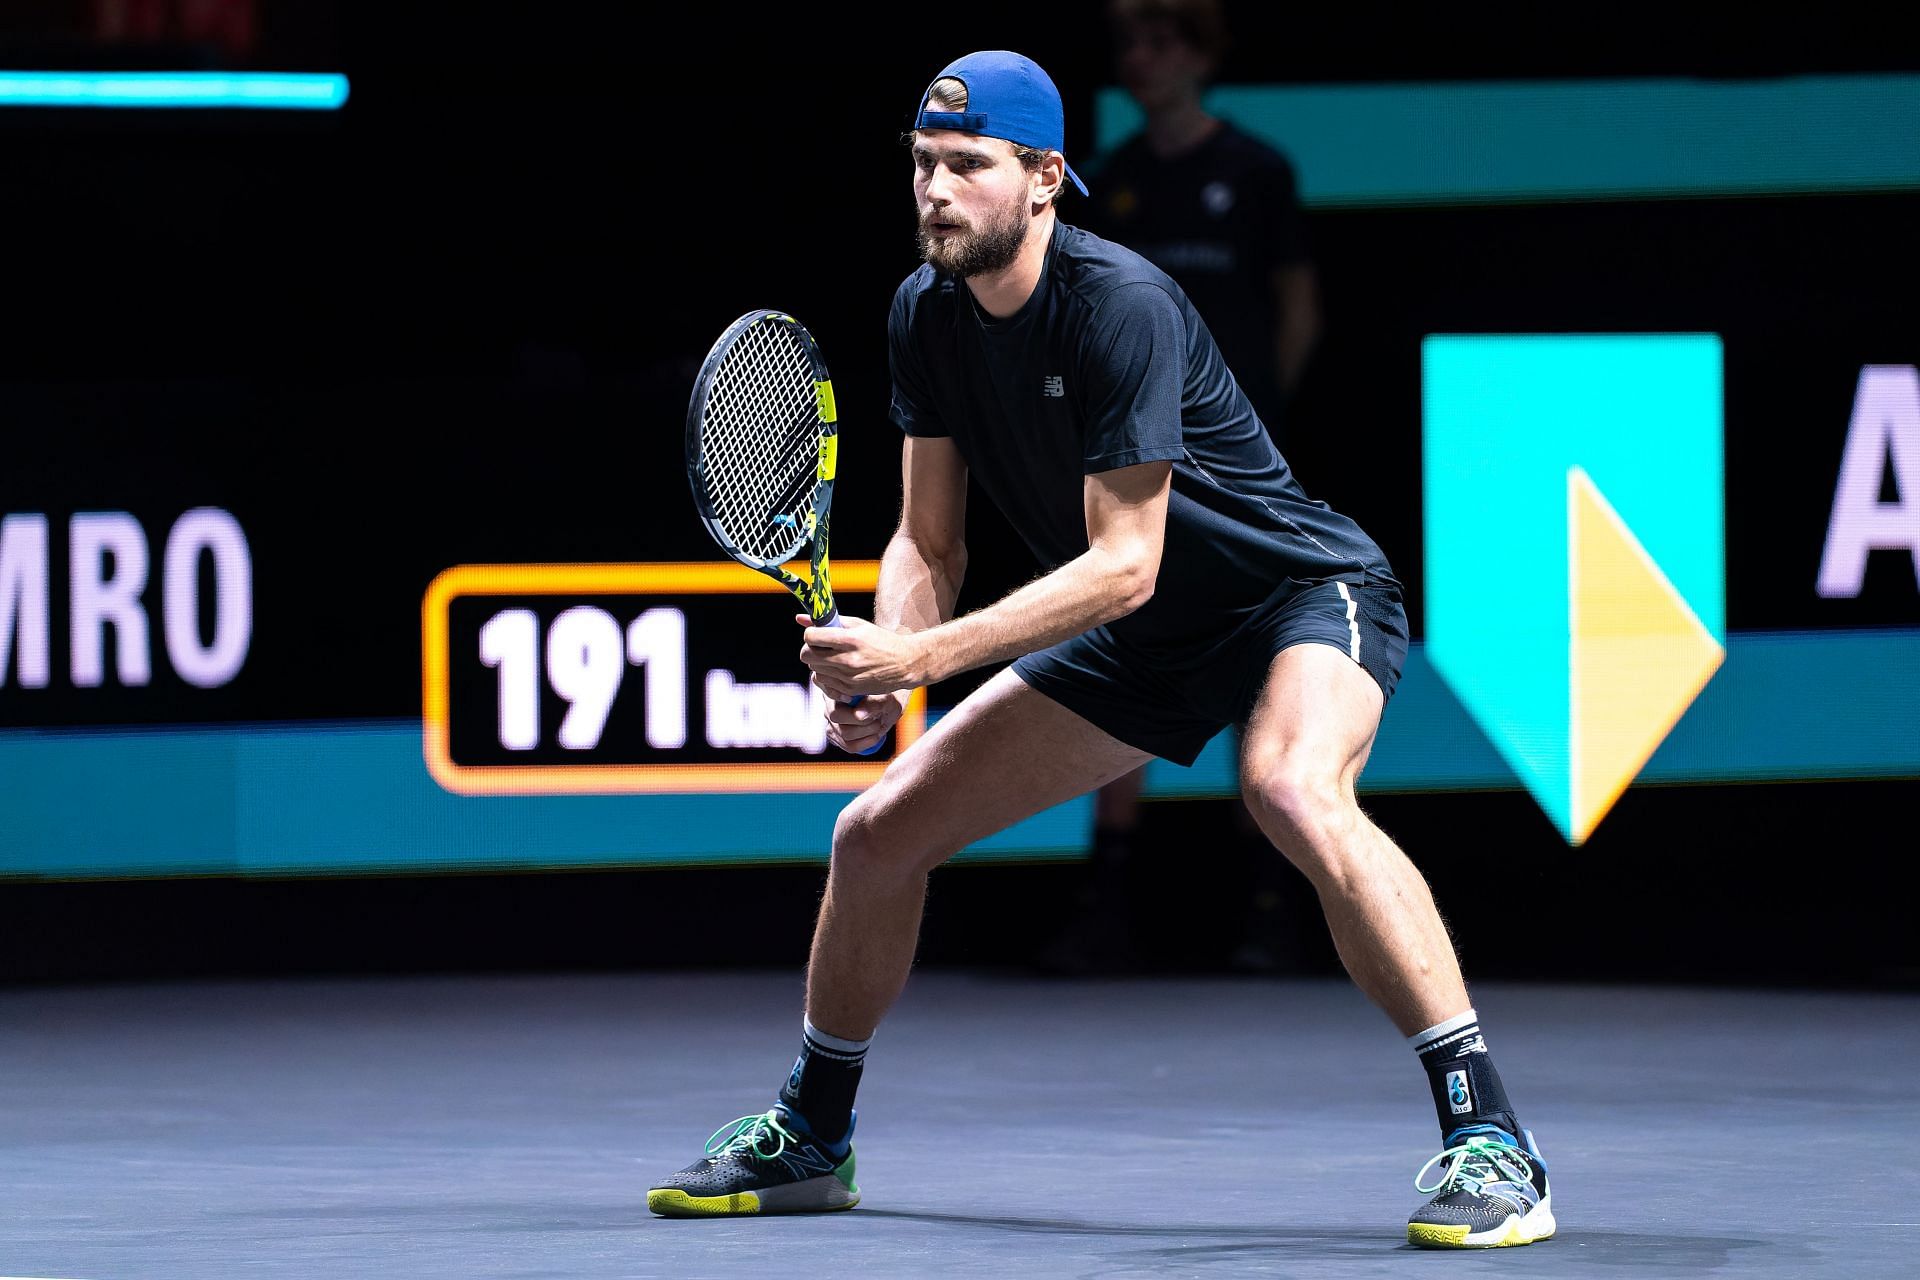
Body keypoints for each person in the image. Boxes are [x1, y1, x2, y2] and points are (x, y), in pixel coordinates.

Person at [647, 49, 1554, 1249]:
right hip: (1142, 640)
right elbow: (928, 537)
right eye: (922, 164)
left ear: (1044, 179)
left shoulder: (1118, 301)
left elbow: (1126, 560)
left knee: (1289, 783)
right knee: (874, 833)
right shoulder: (926, 311)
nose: (935, 190)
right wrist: (892, 661)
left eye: (967, 166)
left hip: (1292, 592)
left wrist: (923, 662)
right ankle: (815, 1131)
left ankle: (1490, 1136)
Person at [1041, 0, 1325, 977]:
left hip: (1243, 471)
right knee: (1129, 648)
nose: (1140, 59)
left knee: (1261, 666)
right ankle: (1107, 901)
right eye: (1127, 43)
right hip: (1143, 464)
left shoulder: (1255, 173)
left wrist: (1251, 420)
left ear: (1203, 54)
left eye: (1161, 41)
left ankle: (1267, 910)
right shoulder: (1113, 183)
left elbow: (1295, 305)